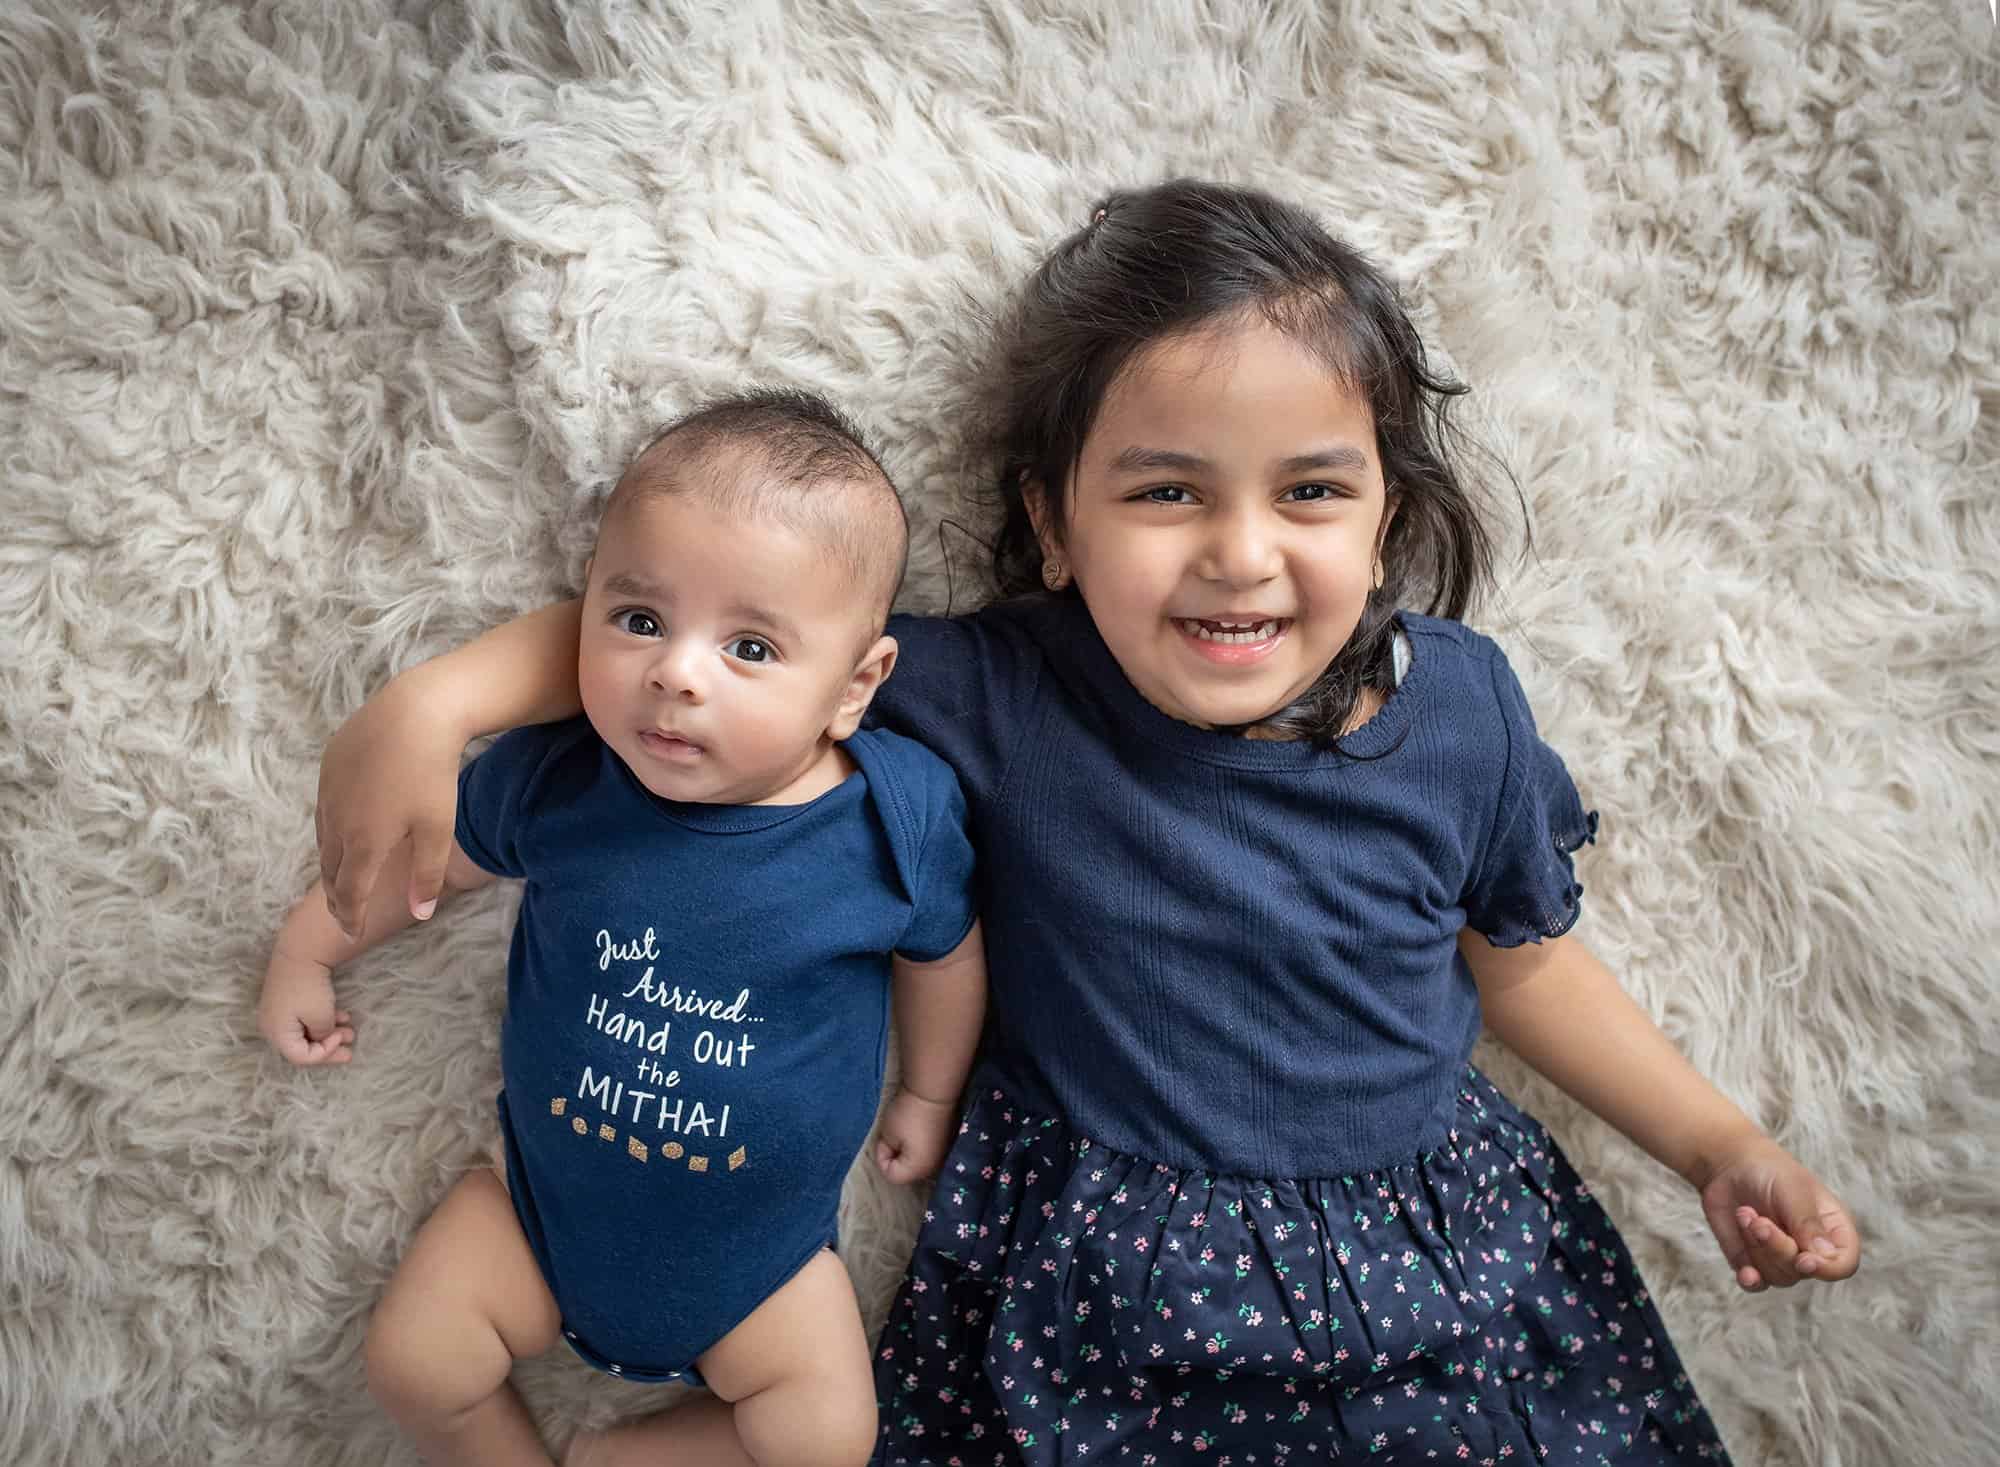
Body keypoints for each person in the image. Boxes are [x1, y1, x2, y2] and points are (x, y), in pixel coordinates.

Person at [308, 182, 1862, 1465]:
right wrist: (435, 704)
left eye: (1312, 491)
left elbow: (1523, 960)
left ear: (1387, 508)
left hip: (1432, 1264)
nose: (1241, 554)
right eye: (1168, 492)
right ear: (1053, 521)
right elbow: (723, 628)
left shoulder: (1460, 713)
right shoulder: (999, 692)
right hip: (1117, 1291)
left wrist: (1716, 1140)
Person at [259, 390, 988, 1467]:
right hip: (538, 1214)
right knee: (416, 1361)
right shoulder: (561, 781)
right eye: (639, 620)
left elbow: (946, 954)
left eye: (749, 646)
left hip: (761, 1264)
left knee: (825, 1440)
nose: (675, 672)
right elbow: (423, 865)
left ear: (854, 685)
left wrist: (926, 1092)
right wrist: (307, 947)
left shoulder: (892, 818)